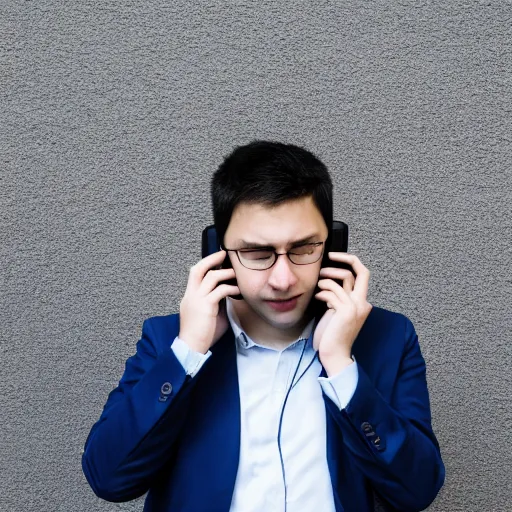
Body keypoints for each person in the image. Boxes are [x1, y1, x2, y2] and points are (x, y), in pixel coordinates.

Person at [82, 140, 445, 512]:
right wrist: (188, 351)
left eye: (304, 249)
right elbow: (109, 479)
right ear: (219, 256)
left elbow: (416, 491)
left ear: (333, 244)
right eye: (258, 254)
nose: (283, 279)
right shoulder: (169, 342)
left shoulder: (388, 337)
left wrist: (340, 364)